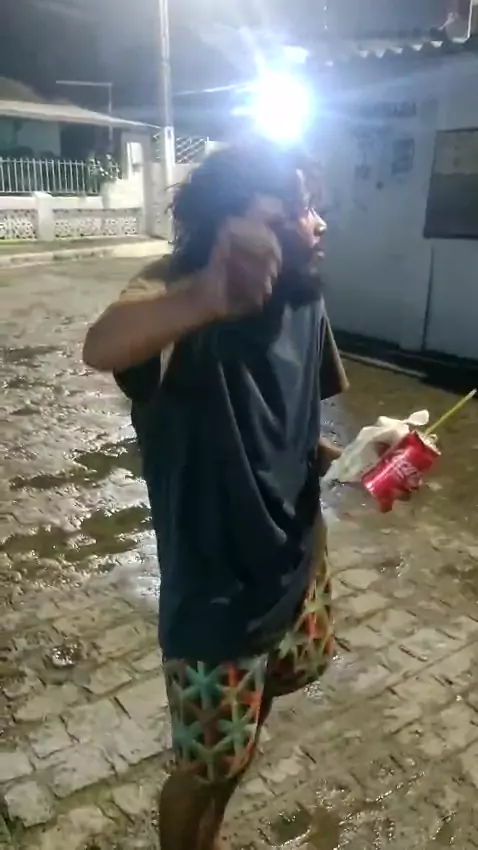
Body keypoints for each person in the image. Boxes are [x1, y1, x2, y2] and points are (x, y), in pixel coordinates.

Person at [83, 139, 349, 850]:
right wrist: (205, 298)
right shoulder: (174, 293)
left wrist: (351, 457)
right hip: (216, 605)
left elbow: (297, 416)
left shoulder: (305, 293)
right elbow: (101, 345)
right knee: (199, 771)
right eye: (289, 212)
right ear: (225, 228)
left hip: (297, 567)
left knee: (242, 738)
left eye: (312, 206)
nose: (315, 223)